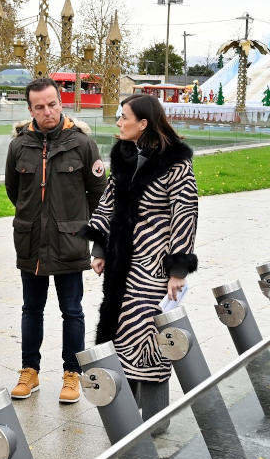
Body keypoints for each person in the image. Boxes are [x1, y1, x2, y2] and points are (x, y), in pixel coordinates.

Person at [82, 94, 198, 430]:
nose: (118, 122)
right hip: (122, 261)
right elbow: (108, 202)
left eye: (124, 117)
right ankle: (126, 416)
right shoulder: (123, 155)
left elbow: (185, 213)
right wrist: (100, 249)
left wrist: (177, 270)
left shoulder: (176, 162)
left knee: (147, 334)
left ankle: (155, 420)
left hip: (153, 263)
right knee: (118, 331)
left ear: (143, 123)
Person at [4, 78, 107, 404]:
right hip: (31, 242)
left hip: (69, 242)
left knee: (72, 310)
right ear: (30, 109)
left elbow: (100, 197)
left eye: (52, 104)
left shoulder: (82, 143)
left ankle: (71, 373)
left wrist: (89, 234)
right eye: (39, 107)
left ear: (61, 103)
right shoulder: (19, 145)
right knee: (31, 309)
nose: (47, 111)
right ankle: (29, 371)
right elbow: (14, 192)